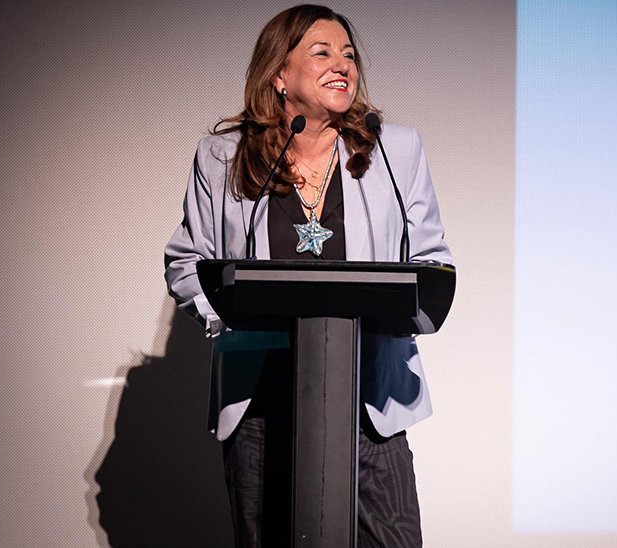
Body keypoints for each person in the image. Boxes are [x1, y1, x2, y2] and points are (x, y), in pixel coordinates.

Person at [163, 4, 452, 547]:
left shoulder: (395, 151)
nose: (342, 64)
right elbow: (186, 263)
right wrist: (223, 314)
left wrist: (404, 311)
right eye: (322, 53)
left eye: (348, 55)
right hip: (260, 403)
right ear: (279, 74)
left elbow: (429, 258)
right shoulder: (223, 158)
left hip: (369, 404)